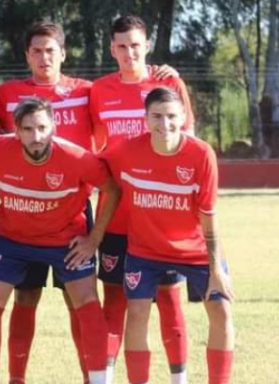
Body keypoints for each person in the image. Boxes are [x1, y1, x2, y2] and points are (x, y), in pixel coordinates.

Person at [0, 22, 183, 383]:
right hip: (24, 214)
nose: (44, 57)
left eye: (51, 50)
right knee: (25, 299)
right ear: (26, 55)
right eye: (36, 51)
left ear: (63, 54)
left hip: (75, 216)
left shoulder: (87, 92)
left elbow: (130, 107)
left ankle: (91, 378)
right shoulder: (4, 95)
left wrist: (165, 74)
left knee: (79, 304)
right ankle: (16, 377)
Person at [0, 98, 120, 384]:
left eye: (42, 127)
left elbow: (111, 189)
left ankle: (100, 381)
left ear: (53, 126)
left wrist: (94, 238)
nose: (36, 136)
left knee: (87, 301)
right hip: (12, 239)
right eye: (28, 129)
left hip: (65, 240)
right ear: (16, 131)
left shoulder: (77, 157)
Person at [101, 87, 234, 384]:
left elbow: (209, 217)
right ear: (145, 119)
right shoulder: (126, 150)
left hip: (196, 251)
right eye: (157, 116)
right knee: (136, 313)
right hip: (144, 252)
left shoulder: (201, 154)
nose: (165, 124)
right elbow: (90, 166)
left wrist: (216, 270)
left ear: (183, 117)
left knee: (222, 310)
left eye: (172, 116)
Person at [89, 15, 195, 383]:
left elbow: (189, 144)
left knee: (169, 300)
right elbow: (95, 148)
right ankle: (105, 378)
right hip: (117, 215)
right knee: (115, 302)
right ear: (111, 49)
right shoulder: (98, 90)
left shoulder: (168, 82)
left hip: (163, 216)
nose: (129, 52)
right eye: (121, 45)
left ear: (147, 45)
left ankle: (178, 379)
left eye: (135, 44)